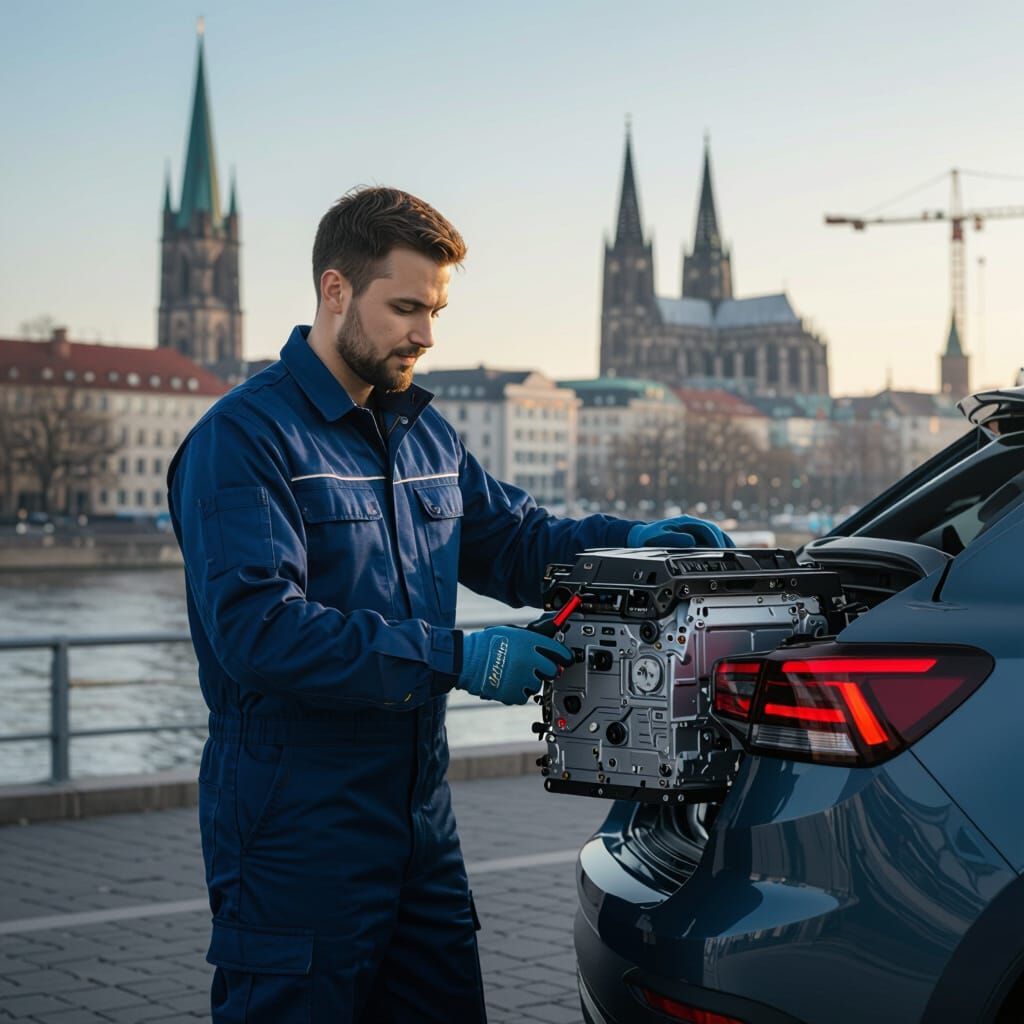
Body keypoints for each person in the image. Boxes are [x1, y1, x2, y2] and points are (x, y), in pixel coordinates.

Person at [167, 186, 732, 1023]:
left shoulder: (425, 433)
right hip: (295, 831)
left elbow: (517, 542)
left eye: (435, 310)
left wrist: (637, 541)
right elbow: (259, 632)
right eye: (404, 309)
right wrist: (458, 657)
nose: (426, 335)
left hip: (421, 825)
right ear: (334, 291)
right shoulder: (243, 440)